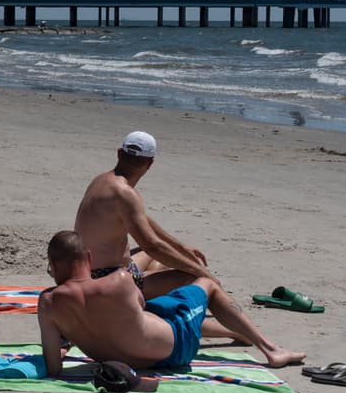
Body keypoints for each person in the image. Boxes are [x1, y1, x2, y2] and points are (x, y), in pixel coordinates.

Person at [37, 231, 305, 376]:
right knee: (206, 284)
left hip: (118, 360)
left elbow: (54, 367)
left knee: (155, 313)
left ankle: (234, 331)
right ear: (88, 257)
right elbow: (140, 303)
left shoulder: (47, 303)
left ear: (54, 265)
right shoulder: (119, 281)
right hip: (173, 350)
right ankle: (271, 350)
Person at [75, 130, 248, 342]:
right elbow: (153, 246)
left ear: (119, 153)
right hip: (106, 281)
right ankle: (233, 329)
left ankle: (162, 292)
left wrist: (181, 248)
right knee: (193, 278)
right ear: (150, 164)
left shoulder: (102, 180)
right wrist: (200, 271)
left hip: (86, 270)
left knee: (164, 258)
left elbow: (143, 221)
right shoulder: (125, 193)